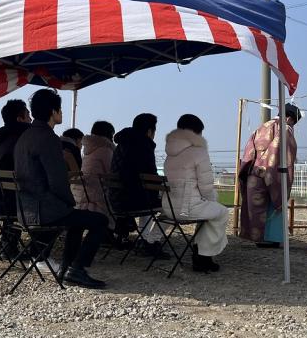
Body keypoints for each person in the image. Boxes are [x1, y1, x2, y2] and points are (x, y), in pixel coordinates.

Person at [14, 89, 108, 288]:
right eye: (60, 109)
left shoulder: (25, 136)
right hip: (45, 210)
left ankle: (69, 268)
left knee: (76, 219)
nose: (61, 114)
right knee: (100, 220)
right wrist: (69, 202)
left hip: (26, 209)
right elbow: (57, 181)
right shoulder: (48, 138)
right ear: (53, 111)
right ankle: (77, 269)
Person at [163, 114, 228, 272]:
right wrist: (213, 201)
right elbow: (206, 188)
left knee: (208, 212)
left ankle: (201, 252)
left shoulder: (169, 154)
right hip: (187, 209)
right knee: (221, 212)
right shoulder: (198, 152)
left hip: (168, 208)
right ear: (196, 133)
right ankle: (203, 256)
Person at [238, 104, 301, 247]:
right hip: (271, 173)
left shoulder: (261, 127)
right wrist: (270, 172)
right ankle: (270, 239)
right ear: (289, 118)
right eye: (293, 122)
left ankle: (259, 239)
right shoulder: (284, 129)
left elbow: (249, 151)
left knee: (256, 209)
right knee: (273, 205)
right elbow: (277, 151)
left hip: (253, 173)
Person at [111, 113, 168, 258]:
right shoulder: (144, 145)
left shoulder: (121, 144)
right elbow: (150, 176)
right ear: (150, 131)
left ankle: (145, 239)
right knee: (169, 207)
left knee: (148, 197)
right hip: (134, 201)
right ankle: (148, 241)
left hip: (117, 199)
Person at [0, 99, 31, 259]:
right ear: (20, 119)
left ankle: (7, 247)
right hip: (9, 204)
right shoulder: (22, 140)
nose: (31, 119)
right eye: (28, 115)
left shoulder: (0, 140)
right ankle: (37, 252)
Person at [76, 121, 116, 233]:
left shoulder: (88, 151)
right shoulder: (106, 150)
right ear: (108, 134)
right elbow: (111, 174)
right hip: (99, 196)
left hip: (84, 196)